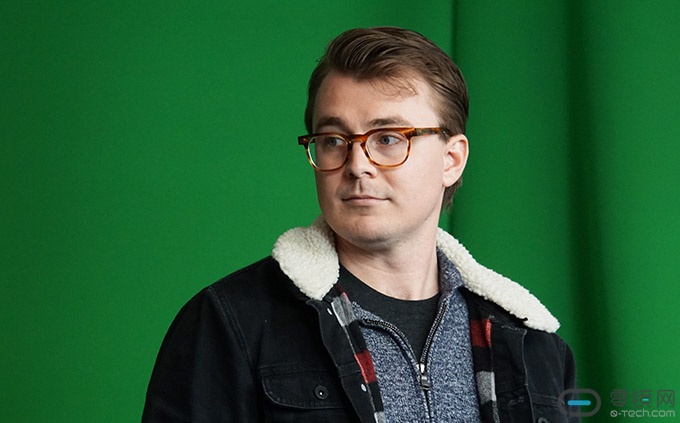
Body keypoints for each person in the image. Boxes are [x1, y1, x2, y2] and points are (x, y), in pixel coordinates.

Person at [143, 27, 578, 423]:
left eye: (388, 138)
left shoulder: (533, 343)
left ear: (452, 159)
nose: (356, 165)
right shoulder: (228, 323)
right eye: (334, 140)